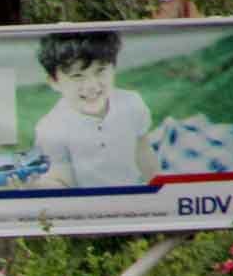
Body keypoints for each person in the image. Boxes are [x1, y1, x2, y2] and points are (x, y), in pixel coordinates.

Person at [31, 29, 159, 190]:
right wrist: (36, 186)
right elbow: (63, 181)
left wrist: (160, 191)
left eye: (100, 71)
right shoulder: (50, 128)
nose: (91, 86)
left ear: (113, 68)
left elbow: (144, 153)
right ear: (54, 82)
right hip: (88, 208)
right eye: (77, 76)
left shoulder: (131, 103)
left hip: (133, 196)